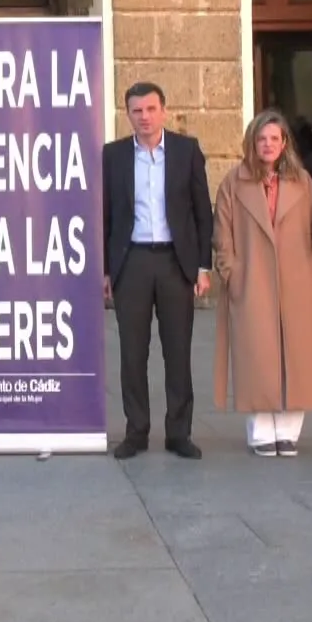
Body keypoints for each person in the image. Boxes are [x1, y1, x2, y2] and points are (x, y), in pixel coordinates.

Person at [101, 82, 214, 461]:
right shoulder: (113, 155)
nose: (144, 117)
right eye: (137, 111)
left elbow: (202, 211)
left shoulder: (186, 151)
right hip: (131, 261)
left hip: (174, 262)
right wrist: (106, 269)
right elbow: (105, 215)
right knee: (133, 352)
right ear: (127, 114)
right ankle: (136, 431)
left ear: (163, 111)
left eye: (151, 109)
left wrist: (202, 266)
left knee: (177, 350)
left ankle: (179, 432)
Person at [212, 110, 312, 457]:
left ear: (284, 143)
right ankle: (262, 430)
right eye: (261, 139)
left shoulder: (303, 182)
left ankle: (289, 431)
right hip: (252, 278)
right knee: (256, 353)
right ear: (252, 142)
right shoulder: (234, 183)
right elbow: (223, 234)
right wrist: (230, 270)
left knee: (297, 354)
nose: (268, 145)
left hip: (297, 278)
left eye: (274, 139)